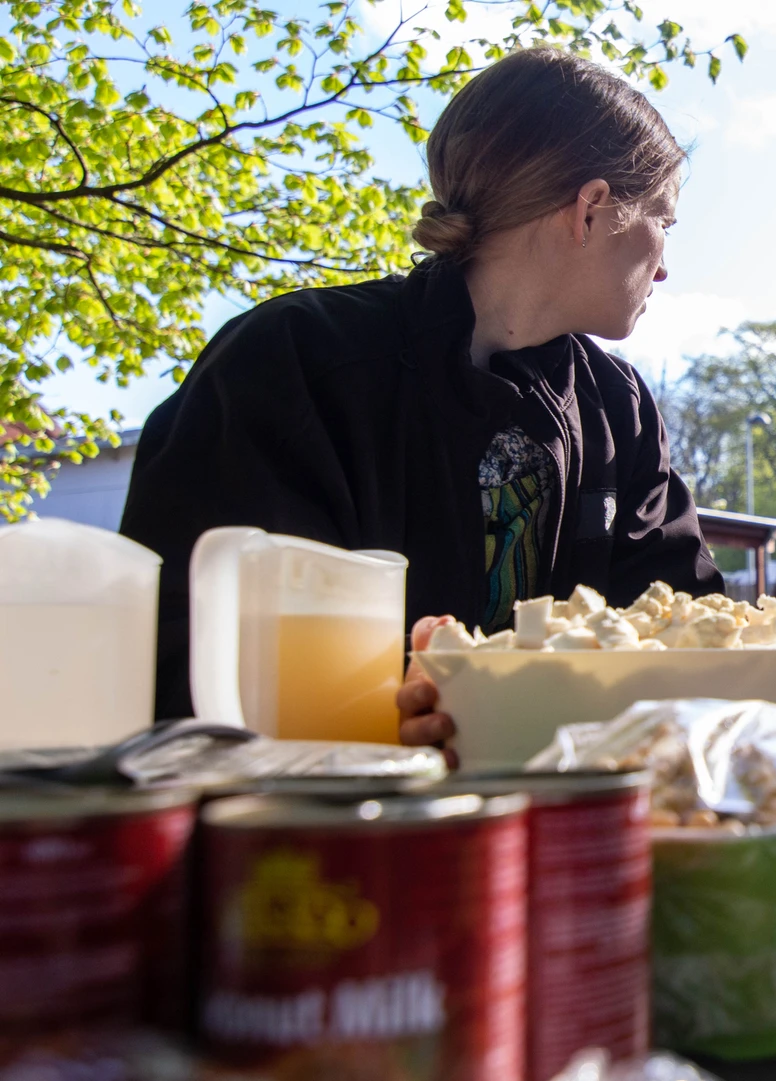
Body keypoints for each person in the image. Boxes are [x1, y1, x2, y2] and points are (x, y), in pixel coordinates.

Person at [120, 49, 723, 735]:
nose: (665, 266)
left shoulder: (620, 407)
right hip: (335, 798)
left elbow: (691, 623)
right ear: (590, 209)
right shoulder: (292, 361)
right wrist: (378, 714)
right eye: (664, 221)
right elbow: (190, 644)